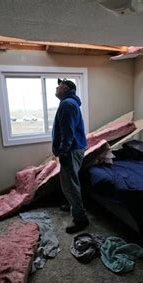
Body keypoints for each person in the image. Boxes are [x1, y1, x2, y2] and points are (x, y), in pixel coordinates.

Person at [52, 78, 89, 234]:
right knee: (68, 182)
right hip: (73, 149)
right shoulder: (69, 103)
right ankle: (71, 204)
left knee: (70, 184)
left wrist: (63, 151)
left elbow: (68, 133)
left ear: (66, 88)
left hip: (71, 150)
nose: (56, 87)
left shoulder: (67, 104)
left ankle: (81, 219)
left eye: (59, 85)